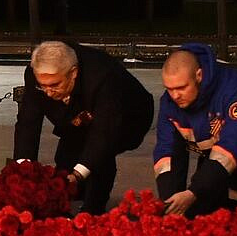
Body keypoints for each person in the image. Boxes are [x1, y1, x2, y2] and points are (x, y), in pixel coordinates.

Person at [10, 39, 156, 215]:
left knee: (98, 159)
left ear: (73, 73)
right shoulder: (35, 73)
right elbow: (28, 122)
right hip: (77, 115)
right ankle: (64, 207)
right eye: (43, 86)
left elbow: (103, 134)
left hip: (128, 115)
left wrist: (78, 174)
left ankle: (93, 211)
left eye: (55, 85)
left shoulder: (102, 76)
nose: (48, 93)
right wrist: (23, 169)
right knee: (65, 163)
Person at [152, 44, 237, 216]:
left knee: (221, 199)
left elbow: (232, 148)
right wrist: (170, 202)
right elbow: (167, 152)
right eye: (169, 89)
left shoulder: (236, 89)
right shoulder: (169, 103)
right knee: (195, 209)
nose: (175, 96)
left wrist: (193, 192)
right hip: (216, 149)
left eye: (181, 88)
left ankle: (236, 209)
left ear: (199, 75)